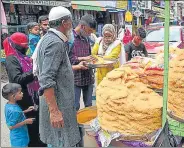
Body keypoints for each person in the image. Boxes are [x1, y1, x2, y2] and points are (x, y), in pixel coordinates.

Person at [36, 6, 81, 147]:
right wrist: (54, 111)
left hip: (58, 103)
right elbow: (46, 79)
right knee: (60, 141)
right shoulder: (55, 43)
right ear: (64, 23)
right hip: (59, 105)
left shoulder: (48, 38)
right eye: (70, 22)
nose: (72, 26)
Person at [3, 32, 46, 147]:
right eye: (24, 45)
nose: (26, 47)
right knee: (30, 123)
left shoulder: (21, 57)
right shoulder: (11, 59)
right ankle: (35, 143)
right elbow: (17, 79)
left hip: (32, 95)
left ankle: (39, 140)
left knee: (36, 119)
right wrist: (34, 72)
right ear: (16, 45)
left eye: (27, 45)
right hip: (23, 96)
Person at [69, 14, 97, 111]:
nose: (90, 34)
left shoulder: (86, 38)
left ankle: (88, 124)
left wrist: (92, 60)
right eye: (89, 31)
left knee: (89, 105)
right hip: (75, 78)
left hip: (87, 76)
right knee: (75, 106)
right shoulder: (69, 38)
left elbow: (88, 55)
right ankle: (77, 126)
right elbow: (68, 59)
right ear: (83, 26)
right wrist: (83, 58)